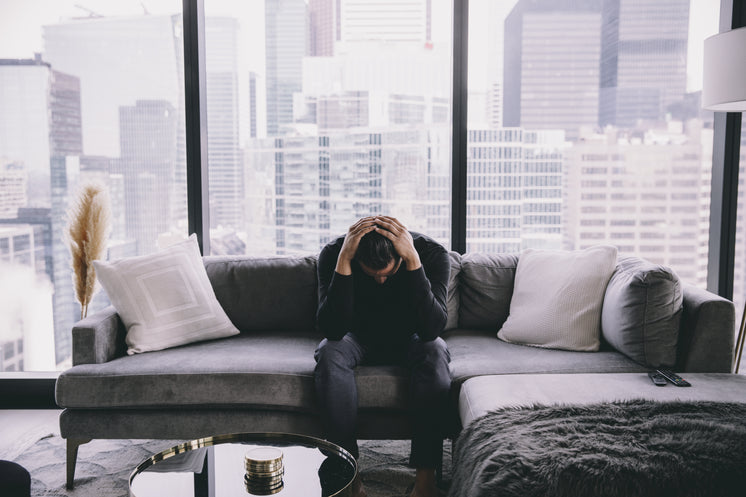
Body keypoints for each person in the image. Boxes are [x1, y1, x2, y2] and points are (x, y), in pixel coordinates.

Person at [314, 215, 452, 497]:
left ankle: (425, 480)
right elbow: (332, 329)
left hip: (412, 339)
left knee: (436, 351)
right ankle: (347, 474)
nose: (380, 280)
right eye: (371, 274)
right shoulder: (334, 254)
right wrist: (344, 264)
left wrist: (414, 262)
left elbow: (432, 329)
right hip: (355, 338)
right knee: (329, 353)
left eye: (388, 274)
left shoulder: (432, 254)